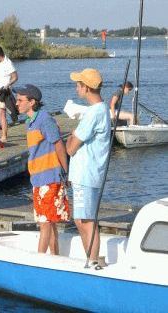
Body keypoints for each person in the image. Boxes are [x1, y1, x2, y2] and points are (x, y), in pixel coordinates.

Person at [16, 84, 69, 255]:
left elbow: (59, 145)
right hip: (38, 179)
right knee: (48, 221)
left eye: (20, 100)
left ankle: (39, 260)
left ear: (32, 102)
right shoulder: (30, 122)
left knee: (45, 223)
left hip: (50, 177)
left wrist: (66, 172)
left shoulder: (45, 119)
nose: (17, 103)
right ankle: (54, 257)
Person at [66, 68, 111, 266]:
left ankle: (93, 261)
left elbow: (71, 148)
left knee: (85, 220)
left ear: (86, 87)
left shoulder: (93, 113)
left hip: (86, 174)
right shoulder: (101, 110)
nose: (76, 88)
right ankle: (91, 259)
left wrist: (71, 136)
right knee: (81, 219)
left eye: (78, 84)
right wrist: (74, 135)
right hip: (88, 174)